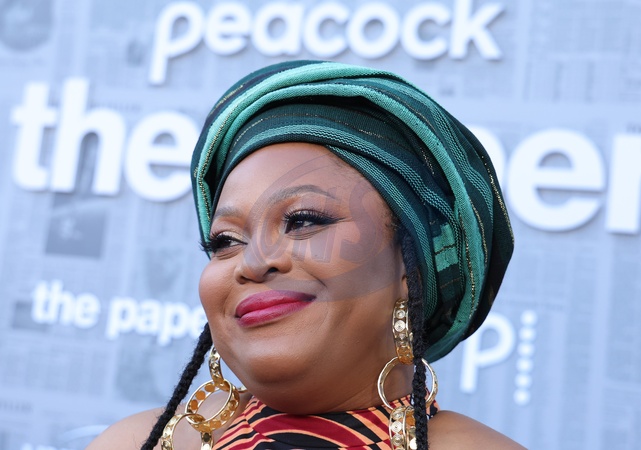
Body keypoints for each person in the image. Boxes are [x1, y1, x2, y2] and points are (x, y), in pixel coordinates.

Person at [87, 60, 523, 450]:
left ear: (414, 268)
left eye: (303, 221)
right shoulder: (135, 443)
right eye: (225, 241)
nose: (254, 262)